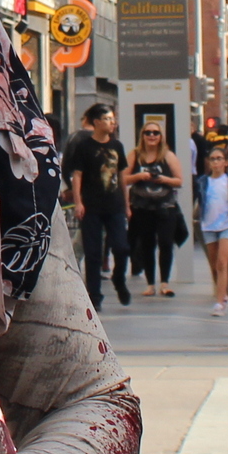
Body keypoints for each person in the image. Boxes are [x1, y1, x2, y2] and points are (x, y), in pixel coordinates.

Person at [70, 101, 131, 309]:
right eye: (107, 119)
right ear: (96, 122)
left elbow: (122, 176)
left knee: (121, 248)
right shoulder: (84, 146)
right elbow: (77, 175)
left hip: (114, 206)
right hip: (91, 206)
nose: (111, 123)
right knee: (93, 253)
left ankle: (119, 279)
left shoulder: (117, 146)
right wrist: (78, 202)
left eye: (112, 119)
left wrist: (127, 205)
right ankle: (95, 296)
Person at [124, 123, 185, 298]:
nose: (152, 136)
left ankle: (165, 282)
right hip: (142, 207)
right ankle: (150, 283)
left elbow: (179, 181)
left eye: (155, 133)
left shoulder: (168, 156)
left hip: (165, 207)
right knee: (147, 245)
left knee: (166, 243)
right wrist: (139, 176)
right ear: (142, 135)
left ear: (161, 136)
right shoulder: (134, 155)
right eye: (148, 133)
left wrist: (164, 179)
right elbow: (124, 179)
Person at [194, 144, 228, 315]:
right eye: (212, 159)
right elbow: (200, 201)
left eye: (219, 159)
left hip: (227, 224)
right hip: (208, 225)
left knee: (222, 263)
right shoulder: (203, 182)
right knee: (214, 264)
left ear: (226, 162)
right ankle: (222, 295)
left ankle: (219, 302)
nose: (215, 162)